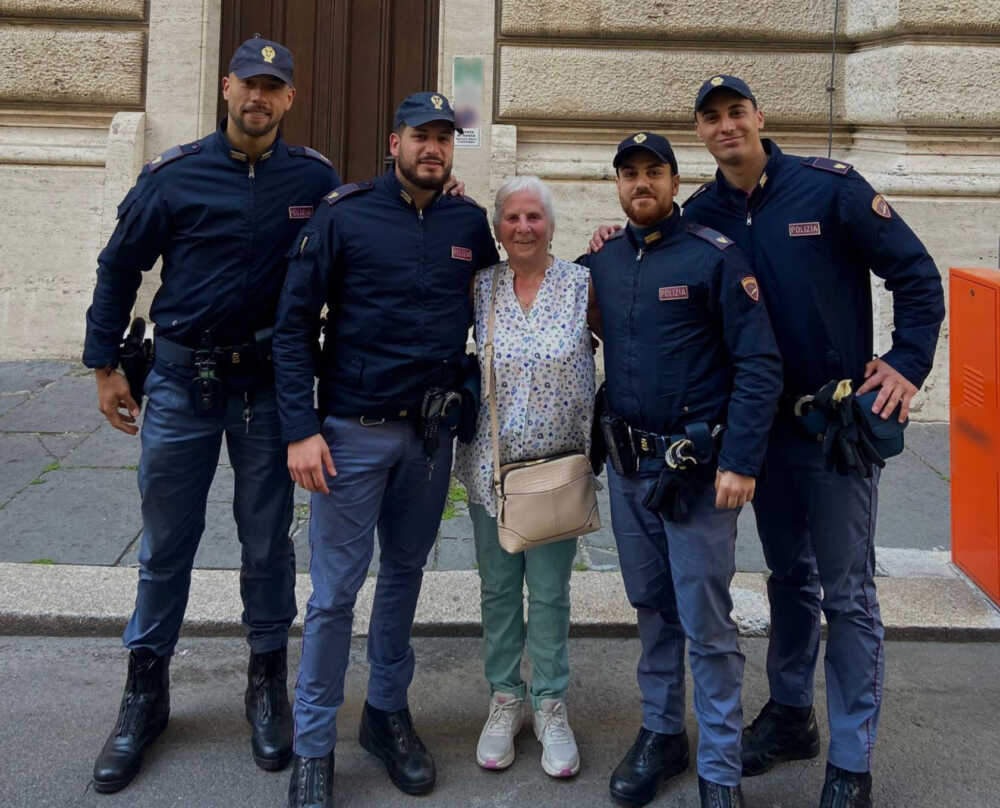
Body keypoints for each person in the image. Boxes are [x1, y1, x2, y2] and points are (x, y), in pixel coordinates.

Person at [591, 76, 945, 808]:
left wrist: (906, 362)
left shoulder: (831, 190)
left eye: (736, 114)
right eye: (711, 119)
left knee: (847, 594)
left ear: (759, 118)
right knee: (790, 579)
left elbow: (915, 273)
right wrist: (611, 244)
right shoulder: (703, 213)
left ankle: (852, 758)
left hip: (827, 429)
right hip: (747, 435)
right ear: (699, 134)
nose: (726, 127)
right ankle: (790, 713)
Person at [82, 36, 341, 793]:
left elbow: (354, 241)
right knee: (167, 542)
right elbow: (118, 265)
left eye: (274, 87)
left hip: (265, 390)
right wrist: (104, 367)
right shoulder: (174, 176)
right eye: (248, 84)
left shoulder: (314, 180)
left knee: (266, 544)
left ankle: (266, 685)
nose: (258, 97)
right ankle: (145, 693)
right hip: (179, 384)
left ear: (289, 98)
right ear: (226, 88)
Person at [273, 91, 499, 808]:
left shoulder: (470, 221)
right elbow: (293, 327)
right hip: (352, 434)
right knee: (336, 593)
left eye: (443, 138)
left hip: (429, 440)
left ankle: (386, 715)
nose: (433, 148)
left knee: (404, 577)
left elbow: (499, 310)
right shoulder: (345, 215)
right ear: (393, 141)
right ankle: (314, 743)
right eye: (420, 136)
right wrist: (300, 429)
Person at [581, 132, 782, 808]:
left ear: (674, 181)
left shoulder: (714, 258)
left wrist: (742, 461)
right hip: (629, 469)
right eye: (630, 174)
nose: (643, 184)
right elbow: (538, 291)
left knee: (707, 621)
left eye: (655, 173)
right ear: (616, 185)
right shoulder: (603, 260)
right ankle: (663, 733)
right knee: (652, 607)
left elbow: (760, 365)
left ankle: (720, 768)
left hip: (697, 475)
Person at [453, 175, 598, 779]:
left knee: (552, 591)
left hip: (558, 474)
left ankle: (551, 702)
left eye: (534, 217)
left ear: (552, 224)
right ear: (497, 227)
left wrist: (612, 240)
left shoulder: (584, 284)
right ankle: (506, 696)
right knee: (497, 590)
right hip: (493, 468)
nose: (523, 228)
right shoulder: (479, 287)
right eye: (511, 217)